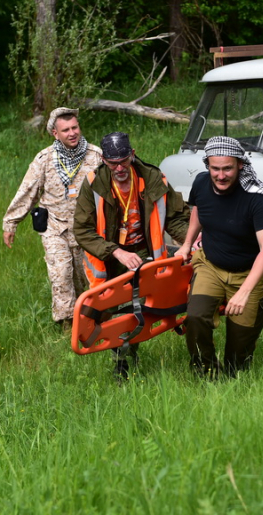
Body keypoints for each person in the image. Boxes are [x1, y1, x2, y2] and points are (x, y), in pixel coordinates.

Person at [74, 132, 189, 380]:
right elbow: (82, 231)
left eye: (124, 161)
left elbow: (176, 218)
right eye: (113, 162)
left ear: (132, 154)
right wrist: (116, 252)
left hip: (144, 254)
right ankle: (114, 352)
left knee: (137, 308)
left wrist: (192, 240)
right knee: (103, 311)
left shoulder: (153, 178)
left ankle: (123, 361)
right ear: (104, 160)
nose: (119, 167)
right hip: (107, 256)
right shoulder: (93, 183)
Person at [175, 136, 263, 378]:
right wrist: (187, 244)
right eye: (215, 168)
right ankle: (206, 372)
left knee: (238, 357)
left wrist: (244, 292)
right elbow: (199, 212)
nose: (221, 175)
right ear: (208, 166)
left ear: (240, 164)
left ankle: (233, 374)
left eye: (227, 168)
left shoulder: (257, 198)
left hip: (249, 273)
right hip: (211, 265)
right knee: (195, 317)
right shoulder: (201, 183)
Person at [2, 107, 102, 332]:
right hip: (55, 227)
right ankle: (68, 325)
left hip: (88, 228)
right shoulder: (45, 159)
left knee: (86, 276)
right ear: (55, 134)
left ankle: (93, 319)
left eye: (74, 127)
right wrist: (11, 223)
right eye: (65, 130)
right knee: (61, 274)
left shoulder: (96, 156)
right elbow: (28, 191)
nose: (72, 133)